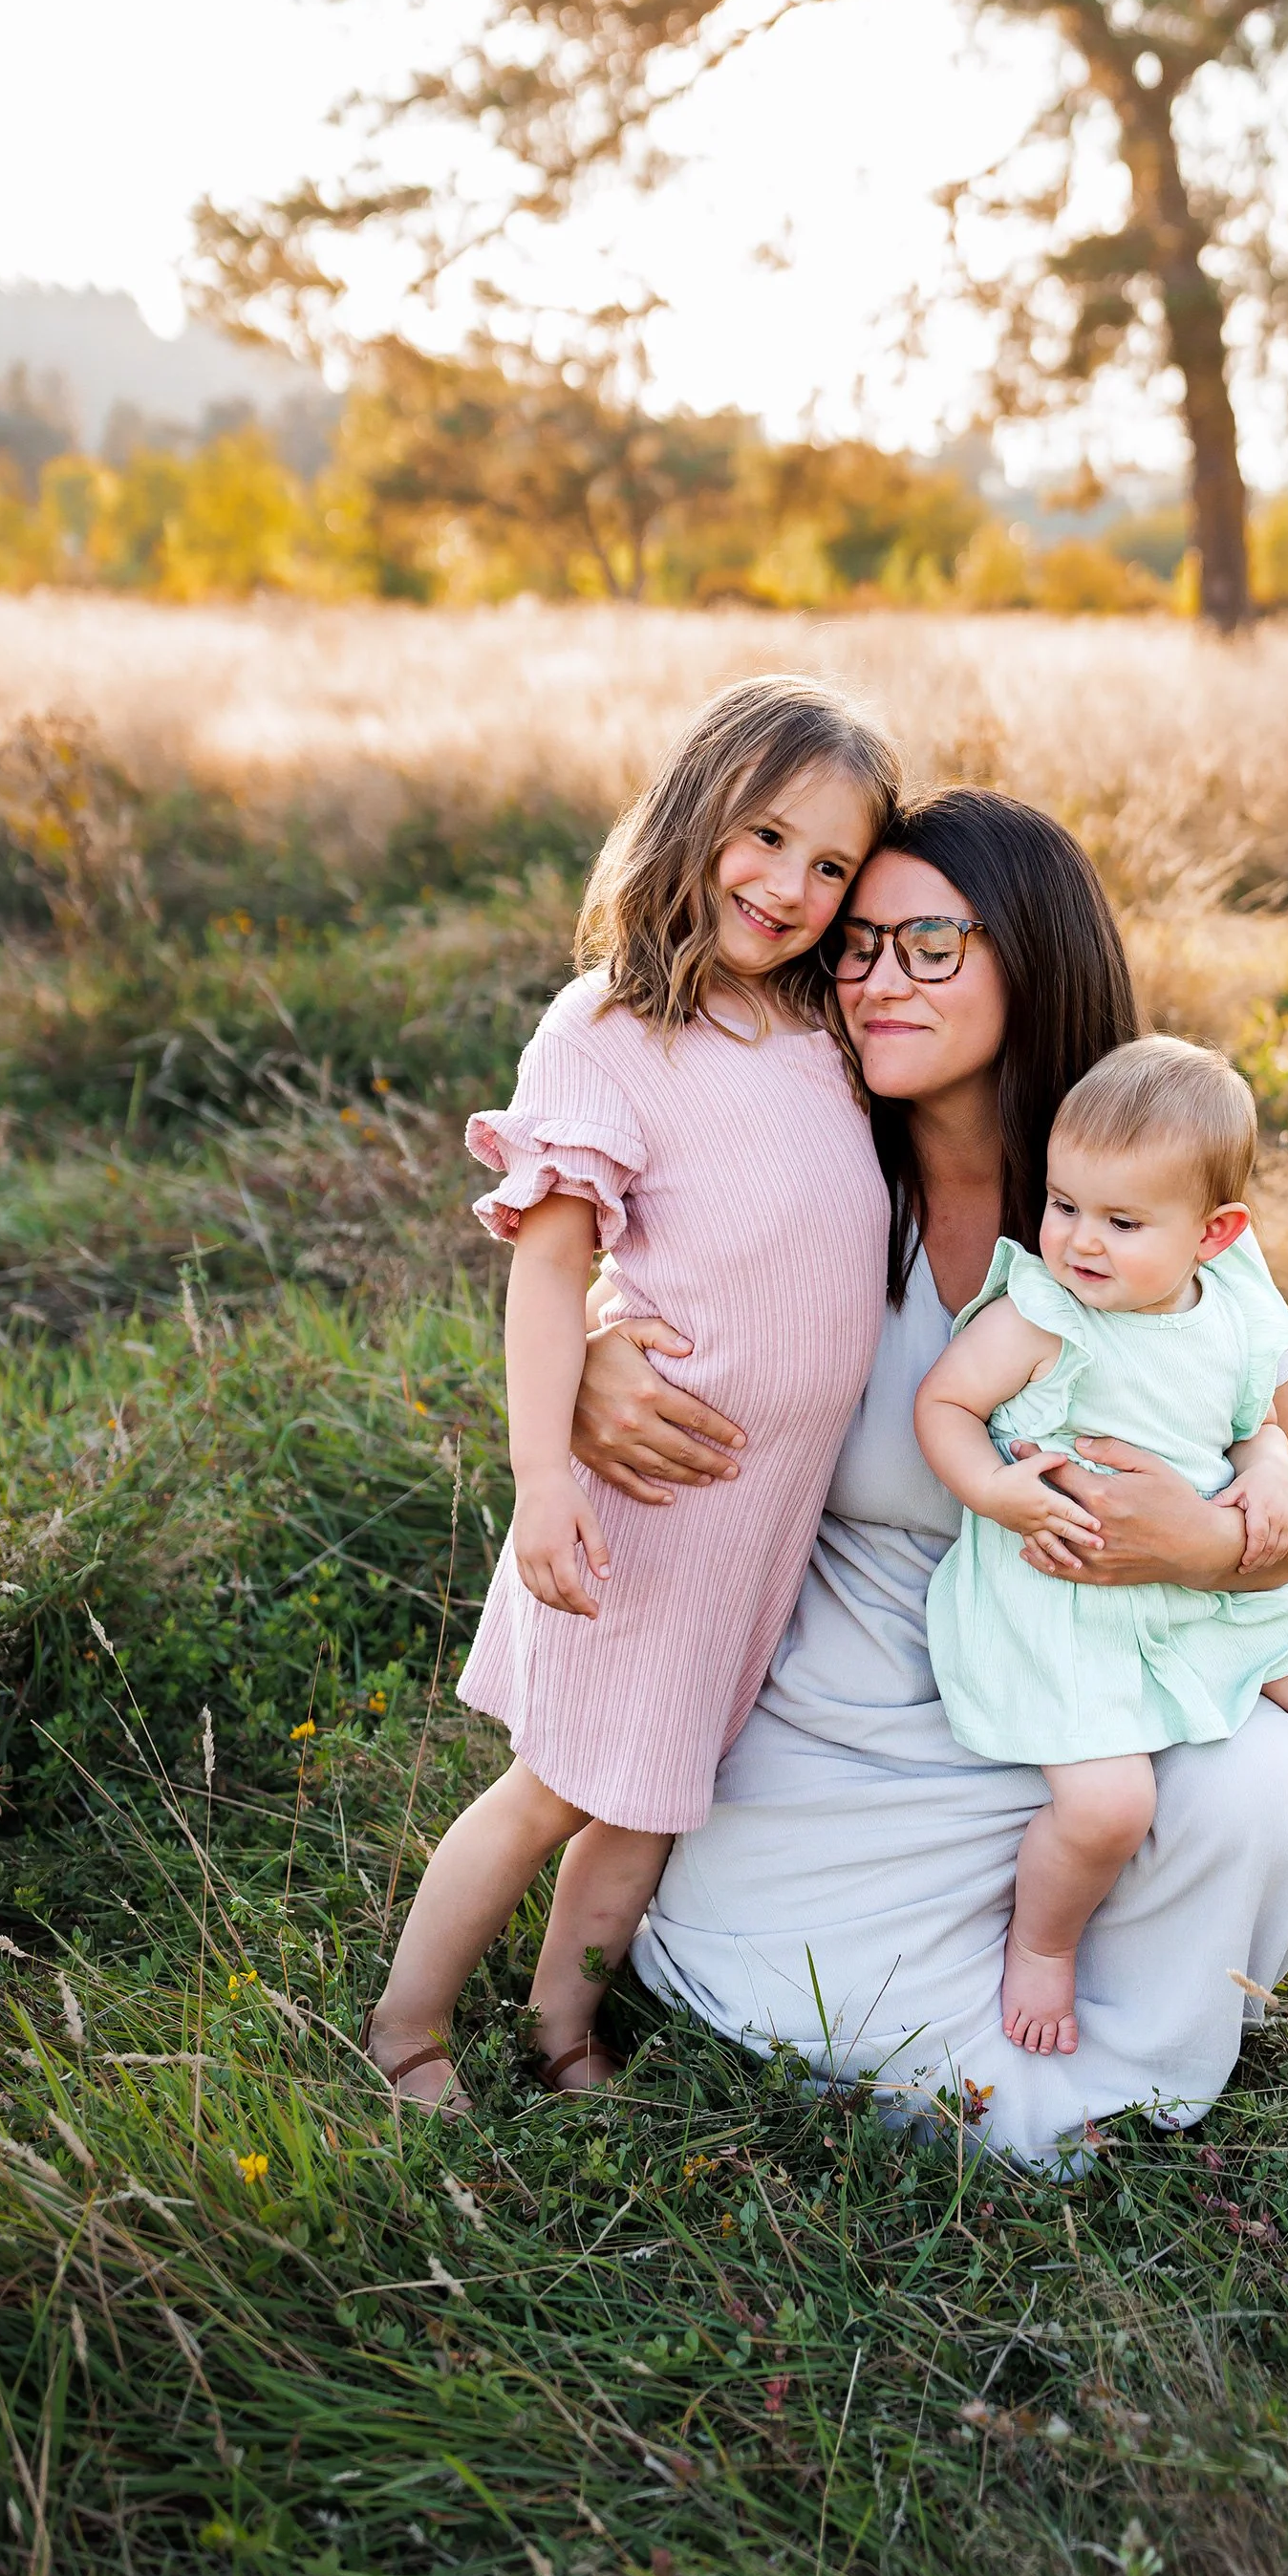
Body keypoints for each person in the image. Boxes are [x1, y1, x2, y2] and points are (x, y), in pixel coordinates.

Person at [569, 787, 1288, 2168]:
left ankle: (1123, 2048)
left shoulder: (1139, 1203)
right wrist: (597, 1348)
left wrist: (1203, 1541)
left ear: (1032, 957)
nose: (879, 979)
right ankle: (1018, 2041)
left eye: (930, 944)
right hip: (852, 1711)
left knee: (1260, 1788)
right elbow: (622, 1282)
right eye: (855, 946)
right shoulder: (805, 1170)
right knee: (828, 2011)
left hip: (1102, 1690)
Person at [363, 677, 900, 2111]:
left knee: (653, 1793)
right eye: (765, 836)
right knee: (552, 1786)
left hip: (755, 1517)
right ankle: (408, 2026)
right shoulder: (608, 1026)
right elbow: (550, 1271)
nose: (787, 886)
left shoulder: (820, 1029)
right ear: (695, 811)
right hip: (644, 1497)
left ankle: (564, 2024)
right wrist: (544, 1476)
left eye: (830, 864)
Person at [916, 1034, 1288, 2059]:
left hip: (1194, 1581)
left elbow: (1258, 1426)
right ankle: (1043, 1943)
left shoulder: (1234, 1316)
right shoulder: (1040, 1312)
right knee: (1108, 1806)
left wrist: (1266, 1471)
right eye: (1064, 1205)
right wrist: (994, 1489)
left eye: (1122, 1221)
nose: (1079, 1240)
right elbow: (944, 1404)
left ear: (1213, 1234)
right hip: (1064, 1595)